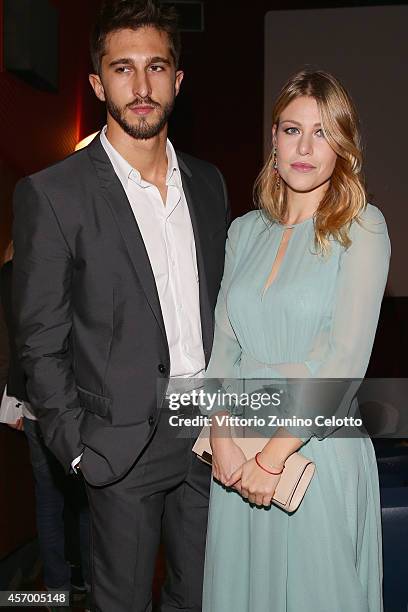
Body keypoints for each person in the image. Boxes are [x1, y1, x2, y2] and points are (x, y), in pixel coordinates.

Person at [12, 1, 229, 610]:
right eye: (123, 68)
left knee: (203, 599)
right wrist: (77, 447)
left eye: (156, 67)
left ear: (177, 81)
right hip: (120, 444)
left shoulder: (209, 183)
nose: (140, 86)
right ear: (96, 81)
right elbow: (40, 341)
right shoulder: (54, 195)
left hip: (210, 436)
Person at [203, 69, 390, 612]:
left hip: (312, 455)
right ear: (274, 139)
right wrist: (222, 440)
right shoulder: (243, 231)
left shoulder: (363, 227)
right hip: (235, 456)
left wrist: (273, 458)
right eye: (291, 130)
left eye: (322, 132)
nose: (305, 147)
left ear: (343, 147)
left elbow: (344, 362)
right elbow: (223, 349)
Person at [0, 247, 90, 612]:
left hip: (35, 401)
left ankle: (56, 592)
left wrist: (10, 401)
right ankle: (86, 584)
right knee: (83, 501)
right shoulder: (75, 262)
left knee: (49, 501)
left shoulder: (11, 274)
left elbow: (11, 343)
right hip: (73, 400)